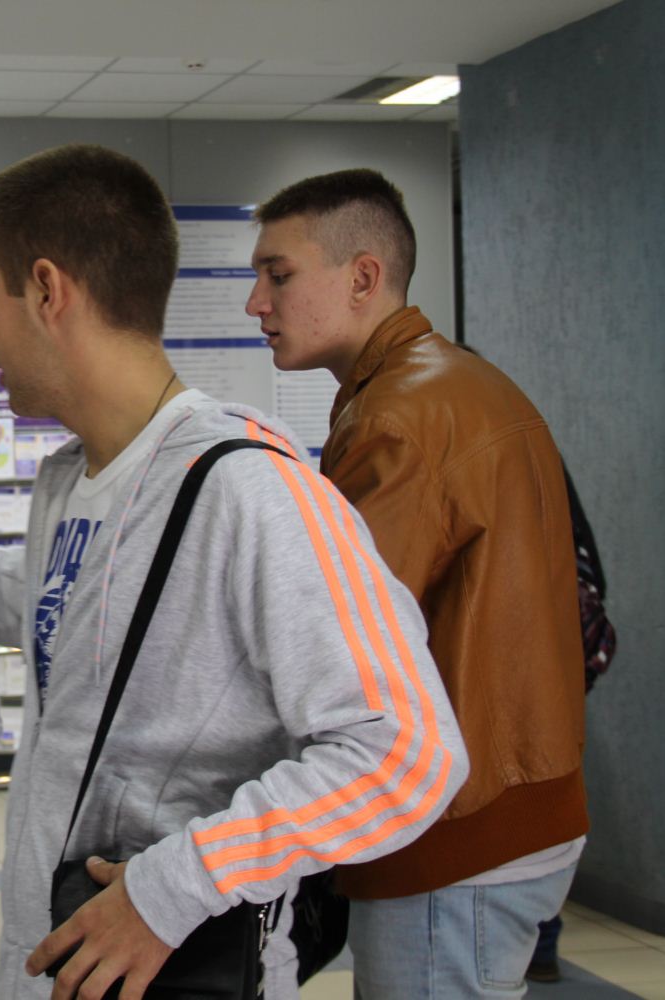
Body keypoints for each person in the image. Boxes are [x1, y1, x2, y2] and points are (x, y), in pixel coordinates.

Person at [0, 143, 467, 1000]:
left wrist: (174, 887)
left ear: (48, 290)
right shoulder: (73, 479)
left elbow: (406, 754)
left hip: (174, 967)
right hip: (62, 958)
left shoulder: (250, 489)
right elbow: (28, 600)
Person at [244, 168, 588, 999]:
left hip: (458, 830)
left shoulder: (397, 416)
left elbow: (335, 640)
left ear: (363, 277)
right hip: (520, 796)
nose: (256, 303)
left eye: (278, 275)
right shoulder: (455, 383)